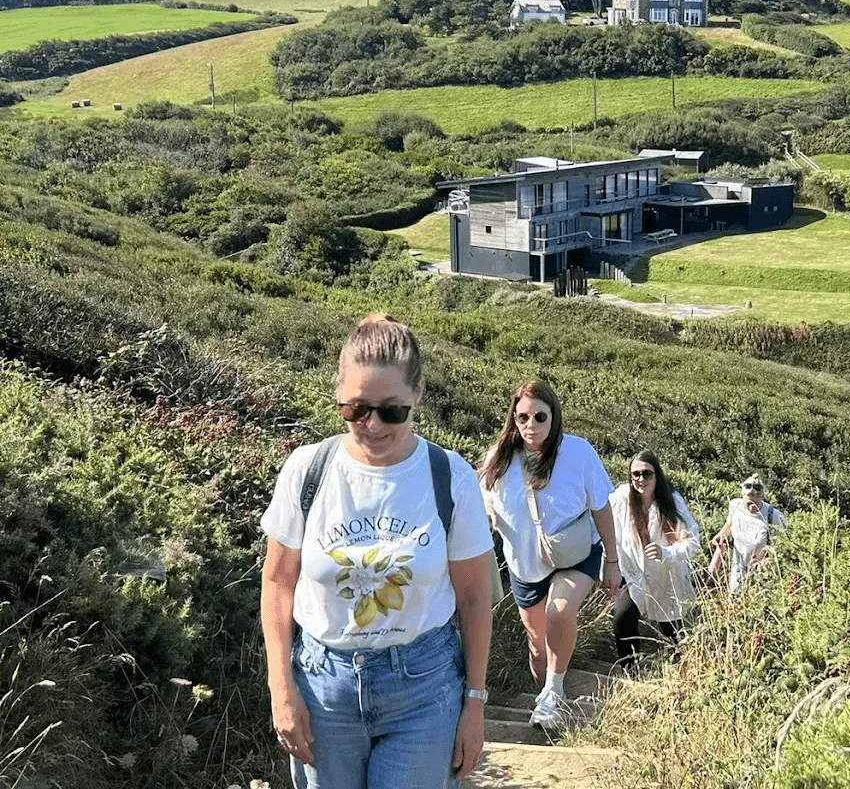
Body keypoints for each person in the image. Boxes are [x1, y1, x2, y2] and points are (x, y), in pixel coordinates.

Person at [260, 314, 494, 789]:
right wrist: (280, 688)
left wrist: (474, 703)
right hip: (324, 686)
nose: (372, 424)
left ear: (418, 394)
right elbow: (278, 582)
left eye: (392, 410)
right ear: (338, 398)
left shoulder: (450, 477)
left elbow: (474, 599)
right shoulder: (307, 470)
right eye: (355, 408)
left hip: (424, 687)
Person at [479, 380, 620, 730]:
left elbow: (602, 508)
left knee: (560, 612)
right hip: (525, 564)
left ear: (554, 416)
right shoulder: (500, 458)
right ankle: (546, 691)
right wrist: (487, 512)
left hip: (575, 553)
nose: (531, 425)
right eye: (523, 417)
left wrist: (613, 562)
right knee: (539, 648)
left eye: (540, 417)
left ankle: (554, 695)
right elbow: (480, 496)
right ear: (513, 417)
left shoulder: (578, 452)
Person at [609, 450, 700, 667]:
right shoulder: (621, 499)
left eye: (647, 474)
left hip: (666, 578)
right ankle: (630, 669)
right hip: (631, 573)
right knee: (622, 619)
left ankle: (681, 672)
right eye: (636, 475)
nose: (641, 479)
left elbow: (693, 542)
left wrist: (666, 552)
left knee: (672, 633)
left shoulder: (672, 501)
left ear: (657, 475)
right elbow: (602, 526)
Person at [709, 473, 786, 593]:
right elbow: (730, 524)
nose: (752, 506)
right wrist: (720, 536)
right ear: (743, 495)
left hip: (762, 572)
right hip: (738, 565)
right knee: (735, 599)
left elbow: (785, 546)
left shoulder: (774, 516)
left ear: (761, 497)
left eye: (756, 499)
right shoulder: (735, 505)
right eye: (749, 499)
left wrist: (768, 561)